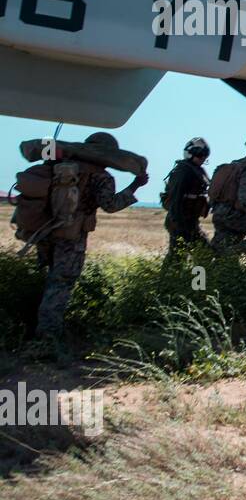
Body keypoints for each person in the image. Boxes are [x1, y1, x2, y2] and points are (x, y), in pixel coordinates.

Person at [34, 132, 148, 348]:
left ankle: (39, 326)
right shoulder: (101, 176)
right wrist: (135, 185)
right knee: (62, 283)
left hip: (46, 231)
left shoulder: (60, 167)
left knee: (51, 279)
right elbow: (111, 205)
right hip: (72, 236)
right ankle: (48, 337)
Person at [162, 137, 211, 252]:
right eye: (200, 155)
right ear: (190, 153)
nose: (203, 158)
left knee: (182, 255)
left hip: (190, 220)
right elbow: (176, 197)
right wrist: (179, 222)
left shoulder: (196, 170)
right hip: (180, 220)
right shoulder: (183, 171)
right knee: (178, 257)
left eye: (205, 155)